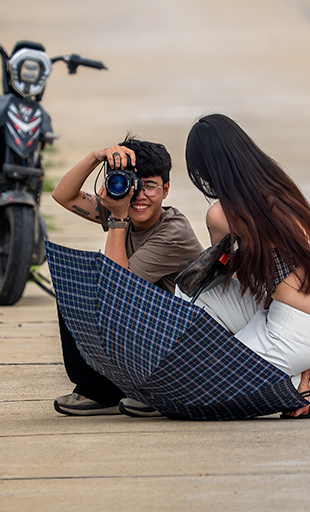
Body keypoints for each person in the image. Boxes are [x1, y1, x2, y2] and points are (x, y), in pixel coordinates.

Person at [181, 114, 310, 418]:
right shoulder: (281, 188)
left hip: (293, 334)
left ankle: (283, 386)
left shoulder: (221, 214)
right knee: (194, 295)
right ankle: (296, 383)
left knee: (195, 393)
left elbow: (216, 272)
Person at [51, 136, 203, 416]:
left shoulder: (172, 232)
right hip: (153, 337)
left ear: (166, 189)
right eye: (132, 185)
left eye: (150, 186)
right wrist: (96, 156)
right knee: (76, 290)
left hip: (184, 348)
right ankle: (99, 391)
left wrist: (118, 219)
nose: (140, 196)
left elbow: (118, 290)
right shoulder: (122, 211)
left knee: (105, 293)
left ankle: (157, 392)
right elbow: (64, 196)